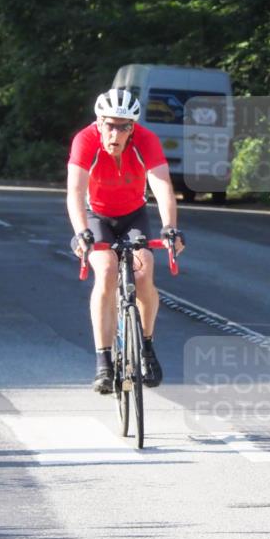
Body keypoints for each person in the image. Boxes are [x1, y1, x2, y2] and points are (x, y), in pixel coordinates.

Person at [67, 88, 186, 394]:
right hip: (97, 216)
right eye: (110, 125)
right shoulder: (85, 140)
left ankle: (146, 348)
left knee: (144, 270)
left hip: (134, 214)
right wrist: (82, 232)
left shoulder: (146, 140)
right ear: (99, 122)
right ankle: (103, 362)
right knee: (106, 271)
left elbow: (162, 188)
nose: (116, 133)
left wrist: (170, 228)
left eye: (124, 126)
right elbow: (75, 193)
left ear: (134, 126)